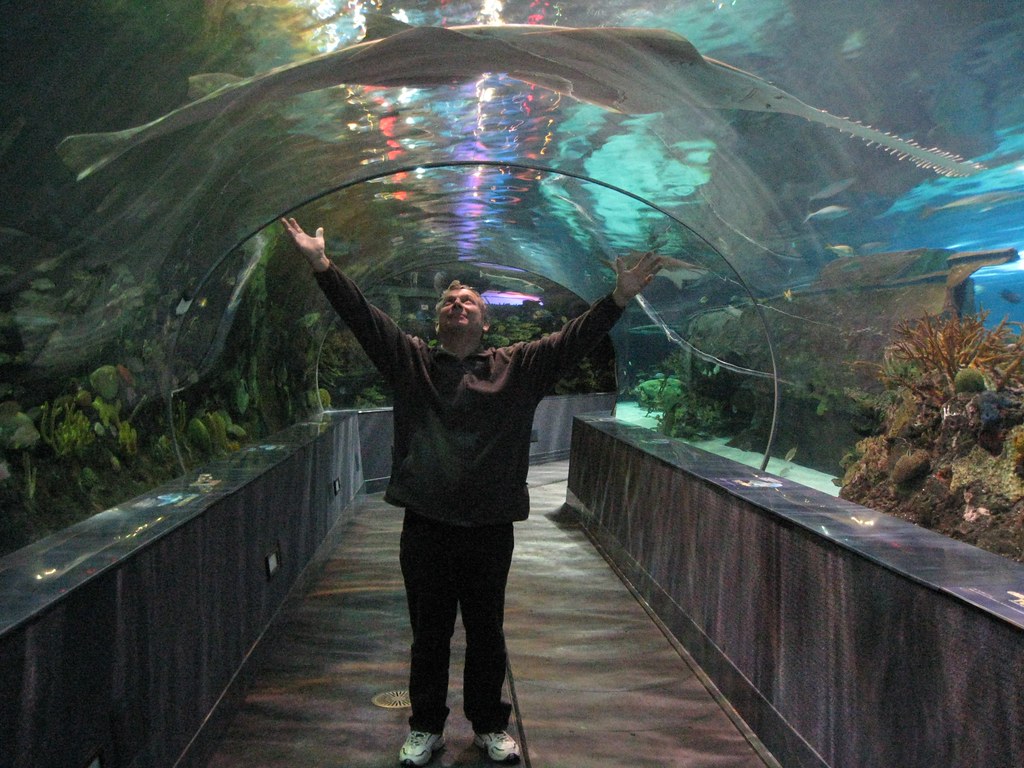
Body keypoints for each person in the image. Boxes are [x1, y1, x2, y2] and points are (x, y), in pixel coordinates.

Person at [280, 217, 662, 767]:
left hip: (489, 527)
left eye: (468, 300)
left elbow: (573, 340)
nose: (456, 304)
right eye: (448, 300)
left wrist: (618, 299)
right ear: (437, 320)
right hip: (426, 525)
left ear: (485, 320)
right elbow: (363, 318)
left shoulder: (519, 367)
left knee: (487, 632)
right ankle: (425, 727)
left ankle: (488, 724)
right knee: (427, 634)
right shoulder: (410, 361)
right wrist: (323, 265)